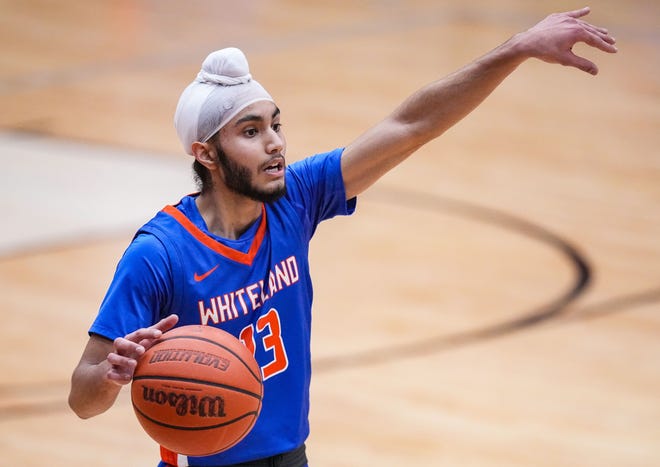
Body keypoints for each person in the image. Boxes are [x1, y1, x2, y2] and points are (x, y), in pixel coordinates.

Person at [68, 7, 616, 467]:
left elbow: (411, 125)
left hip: (292, 454)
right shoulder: (159, 254)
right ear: (206, 154)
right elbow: (81, 398)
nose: (275, 144)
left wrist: (514, 50)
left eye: (275, 125)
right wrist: (114, 374)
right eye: (251, 132)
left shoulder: (295, 199)